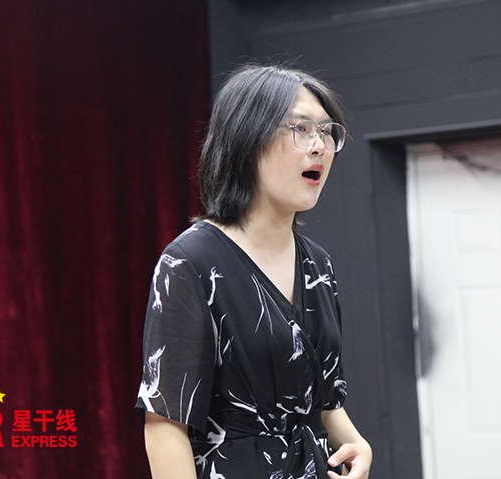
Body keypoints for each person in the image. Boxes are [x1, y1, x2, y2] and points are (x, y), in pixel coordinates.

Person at [136, 64, 372, 479]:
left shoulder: (318, 264)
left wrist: (359, 445)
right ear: (247, 139)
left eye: (326, 132)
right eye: (302, 129)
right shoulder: (190, 262)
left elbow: (325, 402)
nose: (319, 146)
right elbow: (165, 426)